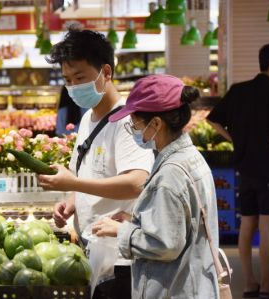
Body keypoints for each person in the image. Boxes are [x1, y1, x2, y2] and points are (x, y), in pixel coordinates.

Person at [37, 29, 154, 296]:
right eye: (67, 79)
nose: (73, 87)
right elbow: (86, 171)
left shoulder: (128, 122)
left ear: (106, 72)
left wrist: (74, 182)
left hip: (121, 258)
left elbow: (137, 182)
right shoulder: (89, 117)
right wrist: (72, 200)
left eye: (80, 77)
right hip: (94, 249)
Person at [91, 74, 220, 298]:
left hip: (173, 288)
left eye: (135, 122)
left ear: (157, 123)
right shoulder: (191, 158)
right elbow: (183, 224)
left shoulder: (169, 174)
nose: (132, 128)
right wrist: (139, 221)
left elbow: (166, 245)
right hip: (196, 284)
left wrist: (122, 232)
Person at [207, 43, 269, 298]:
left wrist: (235, 138)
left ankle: (249, 283)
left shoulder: (238, 90)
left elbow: (212, 119)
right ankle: (268, 286)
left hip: (244, 167)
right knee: (268, 227)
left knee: (247, 223)